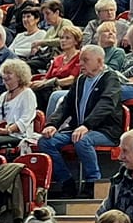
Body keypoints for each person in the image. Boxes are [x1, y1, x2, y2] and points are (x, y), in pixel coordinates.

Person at [37, 44, 124, 197]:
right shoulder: (80, 80)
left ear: (99, 61)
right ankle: (66, 182)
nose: (80, 64)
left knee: (82, 140)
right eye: (80, 60)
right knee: (45, 142)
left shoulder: (111, 78)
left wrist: (87, 125)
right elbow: (66, 105)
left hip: (106, 130)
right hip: (79, 128)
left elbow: (106, 104)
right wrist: (52, 124)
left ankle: (93, 183)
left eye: (85, 60)